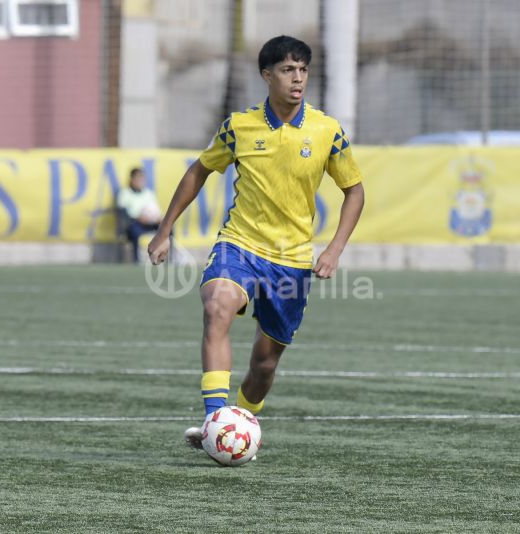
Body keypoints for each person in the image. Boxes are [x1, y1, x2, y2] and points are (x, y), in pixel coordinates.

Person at [147, 35, 365, 451]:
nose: (297, 78)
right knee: (217, 307)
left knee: (264, 364)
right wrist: (165, 228)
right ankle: (215, 420)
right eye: (287, 70)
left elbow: (355, 190)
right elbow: (198, 170)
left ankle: (244, 419)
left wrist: (334, 249)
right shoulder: (239, 127)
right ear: (267, 76)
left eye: (302, 70)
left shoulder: (327, 131)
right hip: (239, 246)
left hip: (293, 260)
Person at [116, 167, 162, 264]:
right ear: (131, 179)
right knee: (134, 231)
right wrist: (138, 218)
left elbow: (156, 211)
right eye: (137, 178)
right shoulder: (124, 193)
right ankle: (136, 260)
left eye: (142, 178)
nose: (140, 181)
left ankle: (167, 258)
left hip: (151, 223)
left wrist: (158, 219)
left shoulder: (149, 193)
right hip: (135, 223)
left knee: (168, 229)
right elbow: (123, 214)